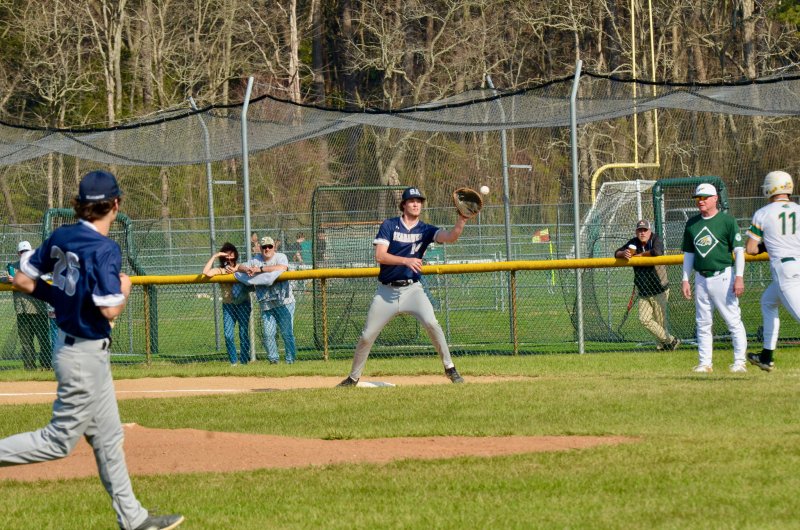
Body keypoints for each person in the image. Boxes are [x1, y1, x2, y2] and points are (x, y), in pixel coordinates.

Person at [0, 170, 183, 530]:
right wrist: (126, 285)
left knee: (109, 437)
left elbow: (23, 277)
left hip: (78, 349)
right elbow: (110, 307)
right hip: (82, 354)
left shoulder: (63, 234)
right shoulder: (104, 248)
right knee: (58, 442)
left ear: (80, 205)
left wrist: (58, 296)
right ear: (115, 205)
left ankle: (134, 520)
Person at [338, 186, 470, 387]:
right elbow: (380, 256)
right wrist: (406, 261)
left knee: (432, 323)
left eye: (419, 201)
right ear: (404, 204)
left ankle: (450, 368)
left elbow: (451, 237)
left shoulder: (425, 229)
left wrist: (461, 220)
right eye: (412, 201)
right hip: (386, 292)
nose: (416, 204)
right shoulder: (390, 225)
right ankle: (353, 377)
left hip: (412, 290)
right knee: (367, 336)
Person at [680, 183, 747, 373]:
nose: (700, 201)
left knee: (732, 320)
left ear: (715, 199)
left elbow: (739, 251)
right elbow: (689, 254)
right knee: (702, 322)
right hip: (701, 278)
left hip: (723, 275)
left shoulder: (727, 221)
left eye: (705, 197)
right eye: (698, 198)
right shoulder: (692, 223)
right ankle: (705, 363)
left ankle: (740, 362)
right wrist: (686, 278)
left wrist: (739, 277)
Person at [745, 170, 800, 372]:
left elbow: (751, 248)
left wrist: (767, 245)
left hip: (784, 269)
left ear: (770, 187)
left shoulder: (763, 213)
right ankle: (766, 357)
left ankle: (766, 357)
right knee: (768, 302)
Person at [615, 220, 679, 351]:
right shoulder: (633, 243)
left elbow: (657, 252)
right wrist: (624, 253)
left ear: (650, 231)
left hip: (659, 288)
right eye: (640, 230)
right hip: (643, 291)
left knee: (661, 323)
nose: (642, 232)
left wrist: (640, 255)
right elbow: (616, 252)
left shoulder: (655, 239)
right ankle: (672, 340)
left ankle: (663, 346)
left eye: (645, 230)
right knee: (644, 319)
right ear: (636, 232)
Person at [238, 236, 297, 364]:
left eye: (269, 246)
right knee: (268, 334)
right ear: (260, 248)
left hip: (284, 303)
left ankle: (290, 360)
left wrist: (259, 270)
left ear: (274, 247)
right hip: (266, 305)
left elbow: (282, 267)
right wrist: (247, 269)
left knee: (287, 333)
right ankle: (273, 360)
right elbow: (239, 267)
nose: (267, 249)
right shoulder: (255, 260)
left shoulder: (280, 256)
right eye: (264, 247)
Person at [1, 241, 52, 370]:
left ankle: (46, 365)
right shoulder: (12, 266)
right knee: (26, 342)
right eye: (22, 252)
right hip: (21, 310)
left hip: (38, 309)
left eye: (27, 252)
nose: (24, 254)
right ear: (18, 253)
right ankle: (29, 367)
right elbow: (2, 278)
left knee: (43, 339)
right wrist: (6, 280)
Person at [203, 243, 251, 365]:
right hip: (228, 305)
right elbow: (206, 273)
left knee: (243, 333)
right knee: (228, 334)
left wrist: (235, 270)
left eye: (231, 254)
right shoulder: (220, 270)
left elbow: (245, 269)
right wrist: (215, 256)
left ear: (235, 255)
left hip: (243, 303)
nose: (229, 257)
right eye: (226, 255)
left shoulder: (240, 267)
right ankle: (234, 362)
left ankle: (244, 361)